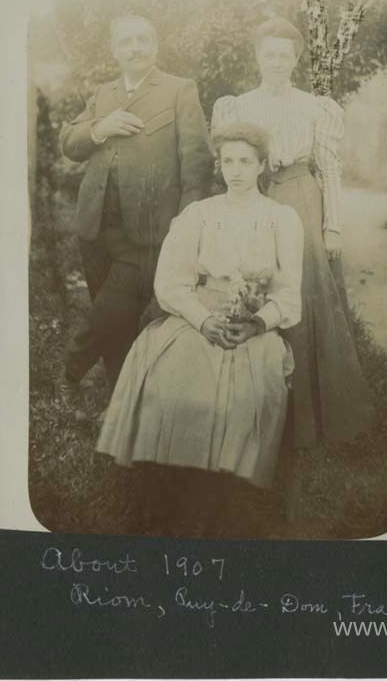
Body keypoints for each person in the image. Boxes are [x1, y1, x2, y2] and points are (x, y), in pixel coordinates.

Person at [95, 122, 303, 537]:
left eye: (245, 161)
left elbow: (289, 294)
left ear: (261, 165)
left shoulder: (281, 219)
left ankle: (217, 504)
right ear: (218, 165)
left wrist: (256, 324)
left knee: (241, 398)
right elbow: (171, 283)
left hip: (252, 324)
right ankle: (163, 498)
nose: (236, 171)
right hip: (198, 316)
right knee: (172, 386)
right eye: (228, 162)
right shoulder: (199, 214)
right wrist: (203, 320)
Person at [210, 16, 373, 450]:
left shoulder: (314, 107)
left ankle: (308, 421)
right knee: (252, 288)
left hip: (301, 197)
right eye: (270, 54)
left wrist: (332, 226)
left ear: (295, 60)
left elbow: (330, 169)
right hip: (255, 198)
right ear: (258, 57)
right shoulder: (238, 106)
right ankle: (254, 413)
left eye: (285, 55)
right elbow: (227, 164)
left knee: (301, 295)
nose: (277, 61)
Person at [57, 15, 212, 418]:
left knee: (109, 310)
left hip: (148, 230)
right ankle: (120, 399)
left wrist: (186, 225)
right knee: (115, 318)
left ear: (155, 46)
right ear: (115, 50)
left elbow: (196, 162)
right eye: (126, 42)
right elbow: (69, 142)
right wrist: (100, 127)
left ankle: (70, 373)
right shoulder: (103, 94)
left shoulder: (179, 89)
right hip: (94, 226)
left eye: (143, 40)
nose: (135, 48)